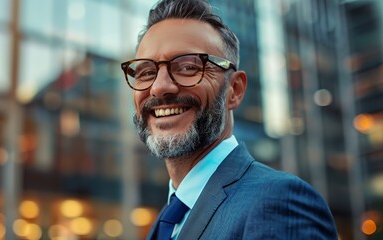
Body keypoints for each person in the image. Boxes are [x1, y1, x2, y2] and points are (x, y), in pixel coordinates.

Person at [120, 0, 338, 239]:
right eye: (147, 73)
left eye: (188, 67)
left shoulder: (279, 203)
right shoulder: (165, 221)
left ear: (234, 90)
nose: (159, 87)